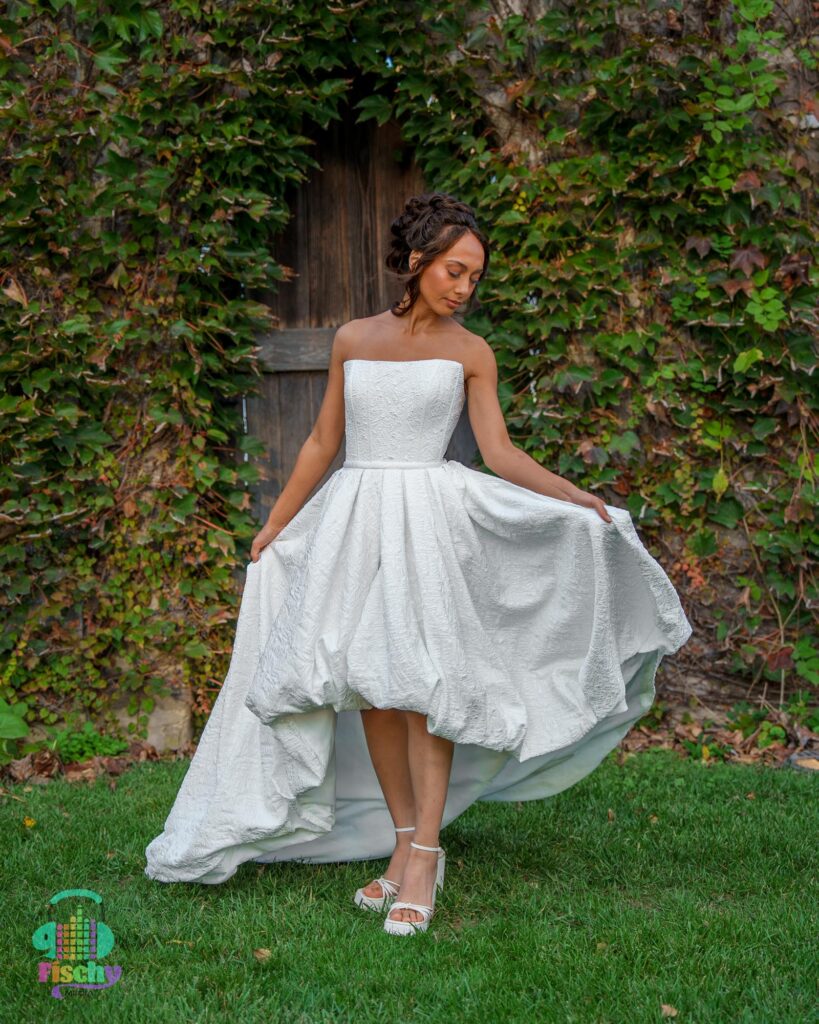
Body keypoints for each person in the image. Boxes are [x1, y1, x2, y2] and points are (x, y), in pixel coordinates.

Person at [145, 192, 692, 938]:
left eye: (474, 277)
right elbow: (320, 443)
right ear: (415, 260)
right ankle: (401, 843)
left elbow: (496, 452)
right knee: (373, 685)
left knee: (425, 685)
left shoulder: (471, 352)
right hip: (356, 519)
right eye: (454, 270)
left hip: (427, 524)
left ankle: (427, 855)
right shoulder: (351, 339)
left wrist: (573, 497)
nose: (464, 288)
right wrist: (276, 521)